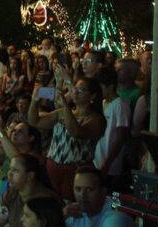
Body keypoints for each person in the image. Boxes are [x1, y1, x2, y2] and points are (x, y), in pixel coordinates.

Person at [30, 69, 106, 201]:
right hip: (52, 167)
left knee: (70, 205)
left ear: (92, 96)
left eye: (81, 90)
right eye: (74, 88)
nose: (75, 92)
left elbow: (76, 132)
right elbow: (34, 121)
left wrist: (65, 104)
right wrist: (34, 102)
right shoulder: (63, 112)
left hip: (75, 171)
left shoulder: (96, 119)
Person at [95, 66, 132, 188]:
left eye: (101, 88)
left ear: (110, 86)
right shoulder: (103, 102)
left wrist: (107, 163)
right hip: (98, 160)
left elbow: (121, 137)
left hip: (111, 165)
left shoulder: (120, 105)